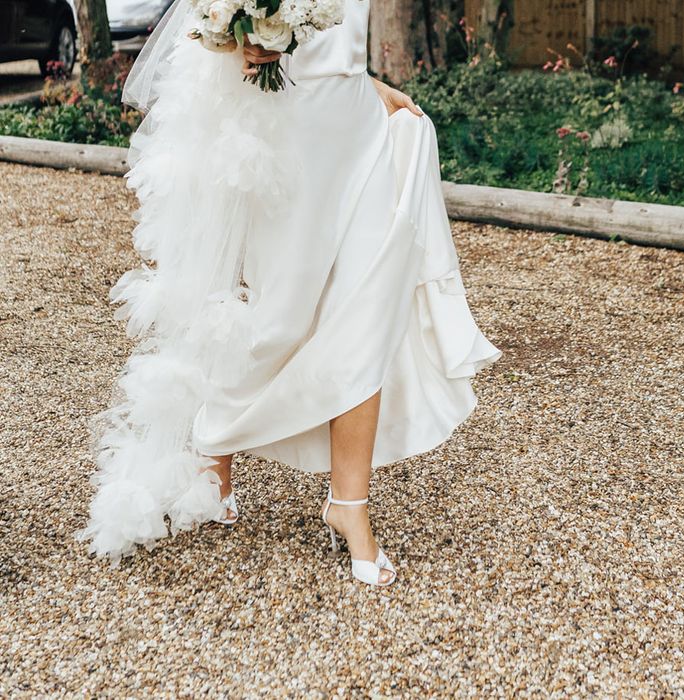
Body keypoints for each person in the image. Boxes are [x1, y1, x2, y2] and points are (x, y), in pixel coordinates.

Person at [77, 0, 501, 587]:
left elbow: (338, 29)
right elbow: (207, 21)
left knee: (368, 305)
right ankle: (213, 458)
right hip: (284, 131)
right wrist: (234, 41)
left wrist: (366, 80)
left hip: (356, 129)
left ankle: (349, 504)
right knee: (275, 320)